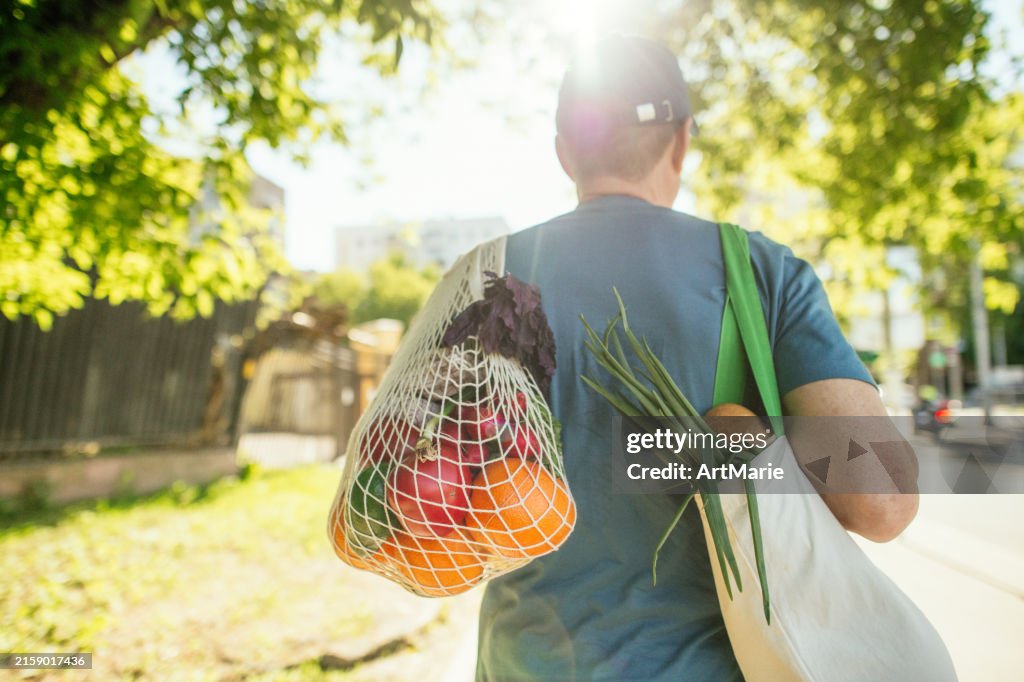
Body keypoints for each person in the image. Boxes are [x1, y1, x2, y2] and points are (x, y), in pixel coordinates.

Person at [475, 35, 919, 681]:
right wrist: (740, 451)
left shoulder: (484, 277)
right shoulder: (761, 273)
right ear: (681, 140)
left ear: (565, 152)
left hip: (525, 663)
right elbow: (880, 505)